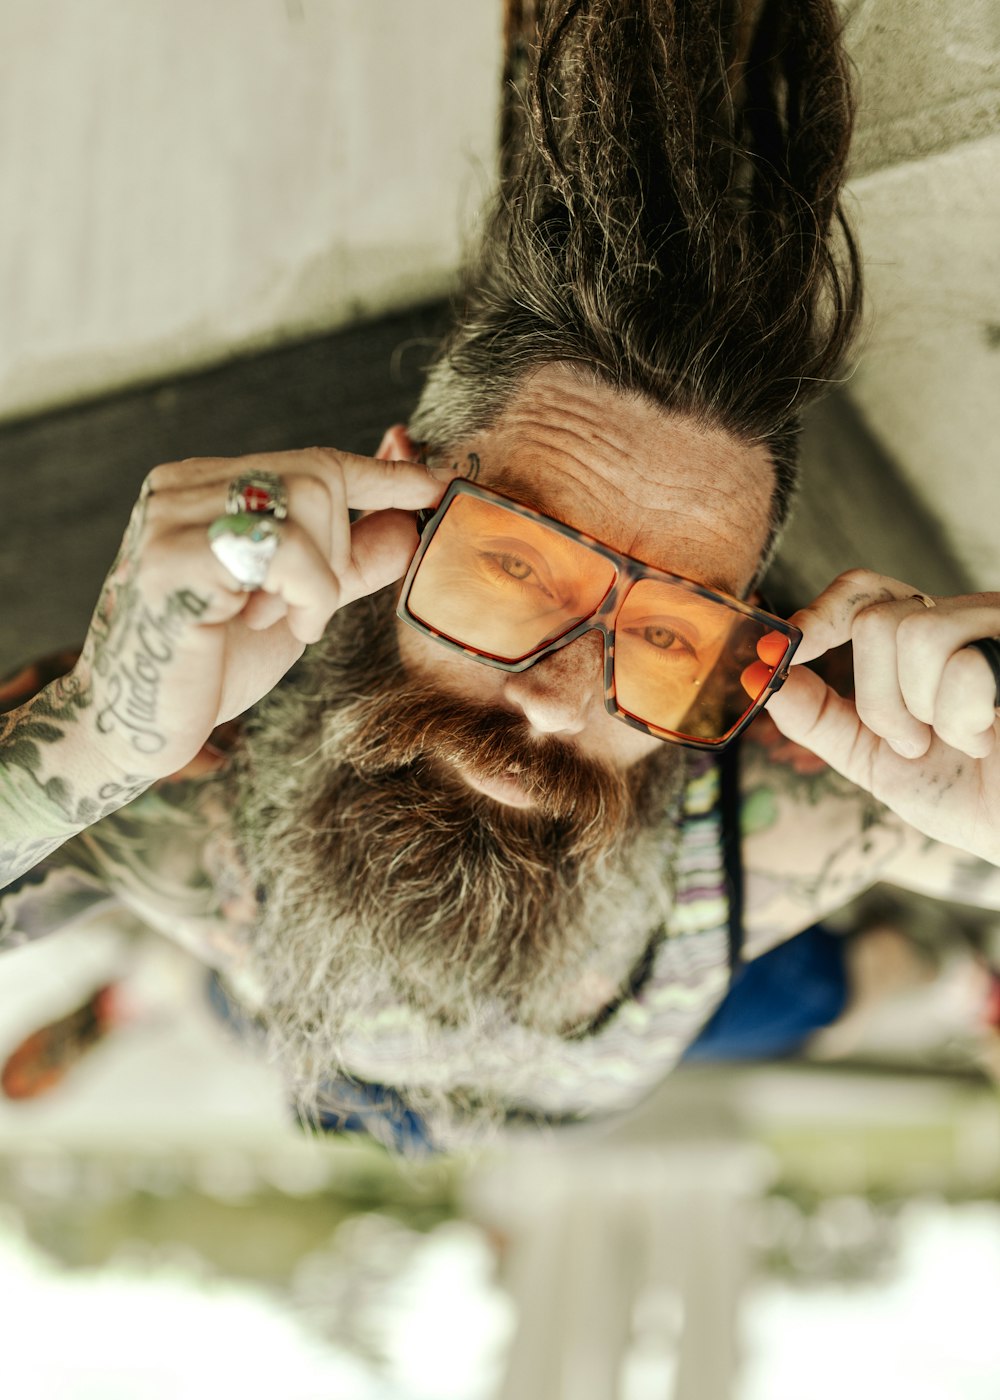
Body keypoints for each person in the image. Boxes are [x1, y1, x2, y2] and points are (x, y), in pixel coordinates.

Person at [2, 0, 999, 1154]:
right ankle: (157, 995)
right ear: (401, 500)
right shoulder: (165, 774)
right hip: (314, 1022)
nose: (559, 697)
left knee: (851, 989)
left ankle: (149, 994)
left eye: (671, 633)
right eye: (520, 565)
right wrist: (101, 736)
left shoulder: (792, 813)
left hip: (525, 1084)